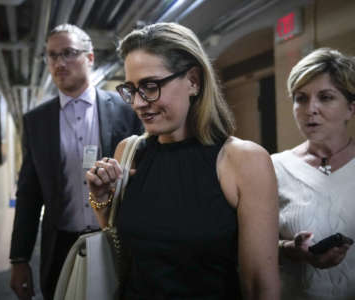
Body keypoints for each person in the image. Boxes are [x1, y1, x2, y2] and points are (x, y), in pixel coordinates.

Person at [86, 22, 280, 299]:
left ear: (193, 81)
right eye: (131, 89)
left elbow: (260, 283)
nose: (138, 103)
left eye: (150, 86)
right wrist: (101, 197)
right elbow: (119, 242)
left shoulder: (243, 161)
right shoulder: (128, 152)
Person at [9, 23, 142, 300]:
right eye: (52, 55)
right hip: (61, 245)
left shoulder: (126, 111)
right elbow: (29, 194)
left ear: (90, 58)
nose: (59, 63)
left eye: (68, 53)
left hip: (117, 239)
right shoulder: (36, 122)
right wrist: (19, 259)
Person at [272, 48, 355, 300]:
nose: (311, 109)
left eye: (326, 97)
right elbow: (251, 247)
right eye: (301, 98)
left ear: (351, 108)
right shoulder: (274, 167)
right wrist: (289, 249)